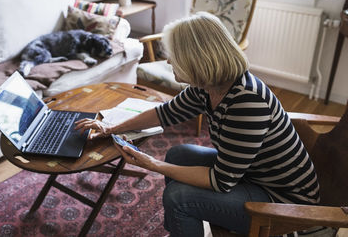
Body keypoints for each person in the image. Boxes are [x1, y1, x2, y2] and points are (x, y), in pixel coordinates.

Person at [74, 12, 320, 236]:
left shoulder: (247, 101)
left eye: (174, 56)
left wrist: (153, 164)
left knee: (178, 197)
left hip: (283, 203)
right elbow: (164, 113)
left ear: (196, 59)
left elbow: (221, 181)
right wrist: (111, 128)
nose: (169, 62)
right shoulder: (209, 87)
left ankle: (183, 218)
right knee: (179, 154)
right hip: (251, 175)